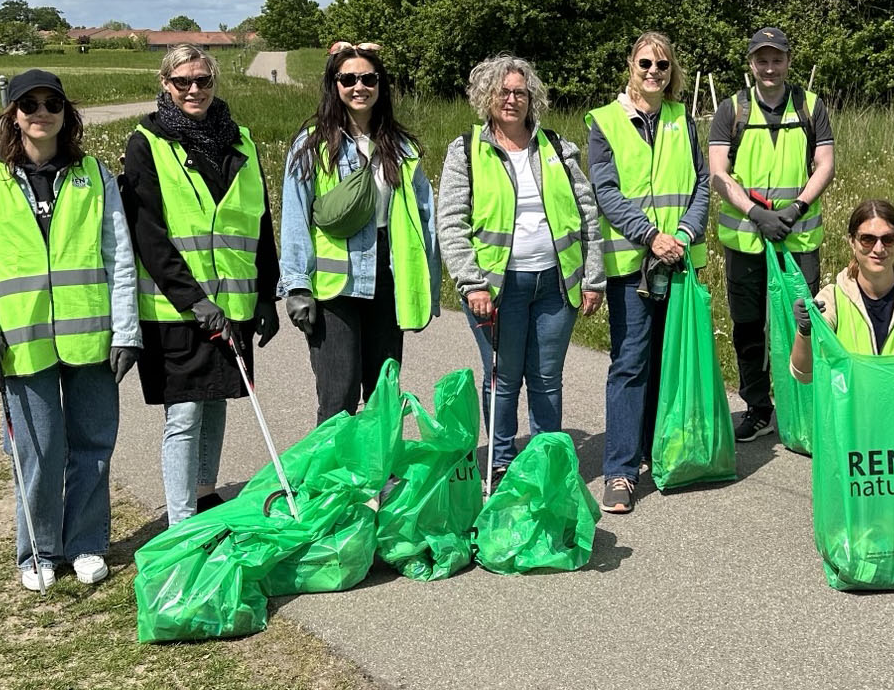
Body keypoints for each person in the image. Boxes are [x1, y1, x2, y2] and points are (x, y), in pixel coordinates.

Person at [0, 69, 139, 590]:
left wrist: (126, 331)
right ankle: (38, 550)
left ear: (65, 112)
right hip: (20, 341)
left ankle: (86, 544)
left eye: (51, 103)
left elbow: (119, 256)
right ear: (13, 114)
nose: (41, 113)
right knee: (38, 450)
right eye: (29, 104)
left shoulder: (94, 175)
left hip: (91, 337)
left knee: (93, 445)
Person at [121, 45, 280, 526]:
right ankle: (182, 521)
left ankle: (206, 494)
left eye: (203, 80)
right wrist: (193, 299)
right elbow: (148, 234)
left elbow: (259, 222)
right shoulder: (147, 142)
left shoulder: (241, 140)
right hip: (175, 309)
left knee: (217, 400)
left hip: (233, 302)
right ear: (165, 84)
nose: (194, 90)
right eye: (182, 81)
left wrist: (266, 294)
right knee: (185, 413)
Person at [439, 54, 603, 486]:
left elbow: (588, 215)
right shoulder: (466, 150)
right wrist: (471, 283)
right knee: (504, 378)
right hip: (496, 288)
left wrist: (594, 277)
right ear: (486, 97)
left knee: (547, 378)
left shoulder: (557, 148)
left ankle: (547, 462)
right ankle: (501, 464)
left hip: (556, 284)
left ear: (532, 99)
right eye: (502, 92)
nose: (511, 100)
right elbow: (451, 223)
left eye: (519, 92)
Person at [280, 42, 441, 424]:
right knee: (339, 395)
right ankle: (333, 465)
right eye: (348, 79)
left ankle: (378, 464)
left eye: (368, 78)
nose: (359, 87)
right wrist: (297, 285)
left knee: (384, 395)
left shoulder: (402, 148)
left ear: (381, 85)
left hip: (387, 277)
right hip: (334, 287)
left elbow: (425, 219)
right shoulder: (312, 145)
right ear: (334, 84)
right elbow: (295, 218)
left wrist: (429, 285)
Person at [585, 31, 710, 514]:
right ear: (630, 66)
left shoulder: (684, 120)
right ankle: (620, 470)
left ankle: (659, 451)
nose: (653, 72)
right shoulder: (604, 121)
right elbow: (606, 191)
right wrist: (651, 235)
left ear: (671, 70)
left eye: (662, 65)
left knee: (667, 361)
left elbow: (702, 184)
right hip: (631, 265)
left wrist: (684, 233)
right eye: (645, 64)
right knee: (631, 363)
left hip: (679, 260)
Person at [708, 26, 835, 442]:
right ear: (751, 64)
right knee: (749, 328)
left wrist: (796, 208)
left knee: (803, 325)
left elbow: (825, 164)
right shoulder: (732, 109)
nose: (769, 68)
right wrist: (755, 213)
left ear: (788, 61)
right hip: (747, 239)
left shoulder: (811, 106)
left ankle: (804, 414)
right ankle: (758, 408)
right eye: (762, 60)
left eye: (777, 59)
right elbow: (718, 172)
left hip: (798, 239)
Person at [790, 199, 894, 381]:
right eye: (868, 239)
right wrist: (804, 332)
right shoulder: (832, 298)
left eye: (888, 239)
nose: (879, 249)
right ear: (852, 242)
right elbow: (804, 374)